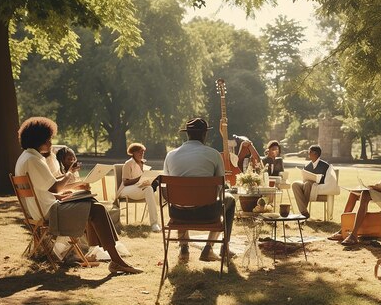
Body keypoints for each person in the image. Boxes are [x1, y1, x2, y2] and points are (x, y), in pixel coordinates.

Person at [15, 117, 141, 274]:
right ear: (37, 139)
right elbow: (56, 185)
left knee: (92, 203)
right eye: (47, 140)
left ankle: (105, 254)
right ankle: (114, 259)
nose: (50, 143)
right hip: (50, 212)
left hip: (44, 208)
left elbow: (42, 189)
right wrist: (69, 173)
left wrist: (59, 196)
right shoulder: (34, 160)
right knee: (97, 209)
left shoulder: (26, 157)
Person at [163, 118, 236, 262]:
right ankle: (211, 248)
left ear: (187, 134)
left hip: (178, 213)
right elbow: (221, 185)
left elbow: (167, 186)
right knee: (230, 200)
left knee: (182, 199)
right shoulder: (213, 154)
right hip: (207, 213)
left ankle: (184, 249)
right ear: (204, 135)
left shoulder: (171, 155)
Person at [328, 140, 381, 245]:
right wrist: (374, 186)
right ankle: (343, 229)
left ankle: (354, 235)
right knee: (353, 193)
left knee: (365, 194)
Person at [116, 143, 161, 232]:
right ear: (133, 152)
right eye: (139, 152)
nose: (141, 154)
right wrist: (140, 178)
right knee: (149, 189)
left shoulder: (143, 164)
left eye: (143, 152)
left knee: (149, 188)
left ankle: (155, 223)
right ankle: (155, 223)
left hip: (140, 189)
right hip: (126, 190)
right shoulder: (128, 163)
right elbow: (125, 182)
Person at [291, 145, 339, 218]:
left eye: (309, 152)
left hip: (317, 186)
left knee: (307, 184)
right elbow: (304, 178)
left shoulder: (326, 166)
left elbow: (328, 180)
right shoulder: (307, 165)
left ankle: (303, 212)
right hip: (306, 184)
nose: (308, 153)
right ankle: (304, 211)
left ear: (315, 153)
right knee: (295, 184)